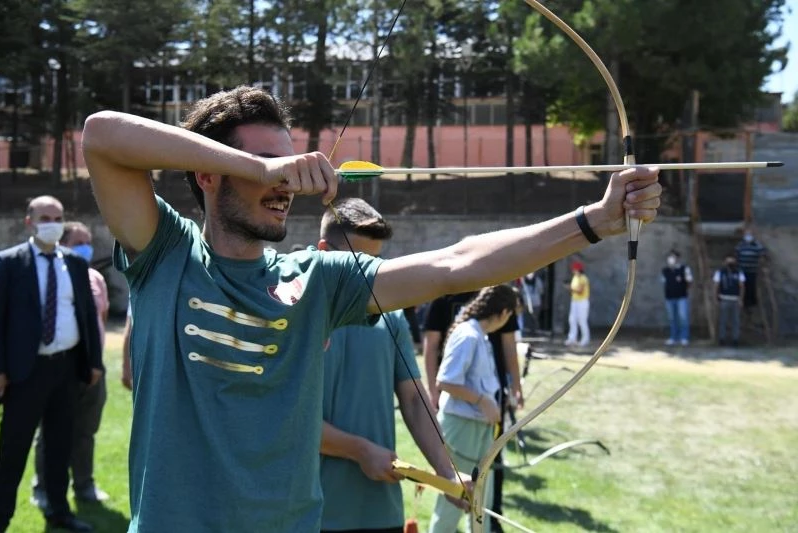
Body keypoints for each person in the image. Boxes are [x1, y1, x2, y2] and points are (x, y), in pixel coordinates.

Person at [80, 85, 661, 531]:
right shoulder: (165, 253)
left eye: (289, 165)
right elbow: (102, 134)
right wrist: (262, 170)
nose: (287, 182)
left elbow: (456, 264)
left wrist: (595, 222)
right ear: (208, 173)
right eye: (265, 164)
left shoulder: (319, 279)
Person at [317, 198, 463, 533]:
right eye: (359, 262)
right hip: (310, 513)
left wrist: (447, 470)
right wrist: (359, 450)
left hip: (381, 513)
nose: (370, 274)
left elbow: (413, 400)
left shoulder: (390, 316)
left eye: (377, 262)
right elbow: (287, 419)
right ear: (323, 250)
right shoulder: (292, 317)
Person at [0, 196, 104, 533]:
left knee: (60, 444)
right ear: (29, 221)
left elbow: (86, 315)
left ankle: (59, 511)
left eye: (58, 217)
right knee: (12, 450)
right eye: (45, 217)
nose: (52, 223)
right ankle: (1, 517)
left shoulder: (73, 263)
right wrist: (0, 370)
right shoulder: (8, 264)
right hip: (25, 372)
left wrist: (94, 362)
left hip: (66, 369)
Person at [421, 287, 522, 529]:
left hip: (479, 427)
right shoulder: (468, 335)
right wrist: (483, 401)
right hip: (461, 426)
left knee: (480, 506)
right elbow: (445, 380)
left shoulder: (481, 335)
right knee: (453, 500)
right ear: (504, 312)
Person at [33, 221, 111, 510]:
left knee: (86, 431)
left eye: (88, 241)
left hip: (93, 369)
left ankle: (84, 485)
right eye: (80, 241)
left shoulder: (95, 278)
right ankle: (42, 487)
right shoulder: (51, 276)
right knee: (50, 432)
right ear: (64, 244)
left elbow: (101, 320)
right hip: (60, 368)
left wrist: (95, 360)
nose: (86, 246)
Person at [660, 249, 693, 346]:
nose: (671, 259)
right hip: (669, 298)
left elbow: (690, 281)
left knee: (683, 318)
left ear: (678, 258)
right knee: (672, 318)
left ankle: (684, 337)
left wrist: (684, 289)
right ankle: (673, 337)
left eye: (673, 257)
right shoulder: (665, 270)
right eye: (670, 257)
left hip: (681, 297)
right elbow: (664, 283)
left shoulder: (684, 268)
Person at [714, 254, 745, 347]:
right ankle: (722, 339)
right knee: (723, 320)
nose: (730, 262)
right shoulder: (720, 272)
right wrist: (716, 297)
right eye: (728, 260)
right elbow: (716, 285)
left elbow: (742, 286)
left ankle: (735, 339)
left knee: (736, 320)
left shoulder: (739, 272)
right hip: (724, 298)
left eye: (732, 260)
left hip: (735, 299)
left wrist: (741, 299)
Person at [734, 227, 766, 309]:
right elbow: (736, 255)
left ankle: (751, 303)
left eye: (750, 234)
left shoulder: (757, 245)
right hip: (742, 270)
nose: (748, 236)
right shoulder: (740, 245)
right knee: (742, 286)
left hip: (752, 270)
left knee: (751, 286)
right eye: (746, 234)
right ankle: (743, 302)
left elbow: (762, 254)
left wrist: (762, 265)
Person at [565, 261, 590, 347]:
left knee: (582, 321)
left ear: (578, 270)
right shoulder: (575, 277)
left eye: (574, 269)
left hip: (582, 302)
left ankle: (585, 339)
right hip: (574, 301)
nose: (573, 271)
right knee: (572, 320)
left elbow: (580, 291)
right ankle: (572, 338)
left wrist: (570, 288)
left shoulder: (583, 278)